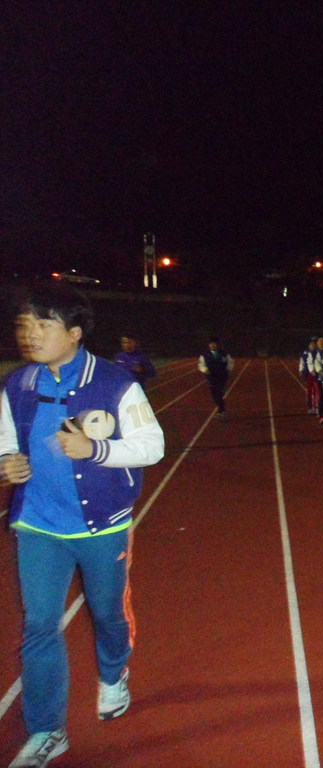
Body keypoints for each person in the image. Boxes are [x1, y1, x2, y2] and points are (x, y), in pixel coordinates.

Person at [0, 283, 164, 768]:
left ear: (74, 333)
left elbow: (152, 445)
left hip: (101, 526)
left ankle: (113, 674)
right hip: (38, 526)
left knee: (107, 614)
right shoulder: (18, 383)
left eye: (43, 324)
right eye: (25, 324)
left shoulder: (115, 384)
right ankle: (48, 729)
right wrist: (7, 462)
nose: (30, 334)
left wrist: (97, 449)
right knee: (39, 625)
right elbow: (6, 438)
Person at [198, 336, 233, 418]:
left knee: (219, 393)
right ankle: (221, 409)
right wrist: (205, 370)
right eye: (211, 344)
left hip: (222, 377)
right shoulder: (204, 355)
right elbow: (201, 364)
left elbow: (230, 362)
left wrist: (228, 370)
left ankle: (222, 411)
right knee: (214, 395)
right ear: (209, 345)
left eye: (214, 344)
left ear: (217, 344)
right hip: (211, 377)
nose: (212, 345)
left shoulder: (224, 353)